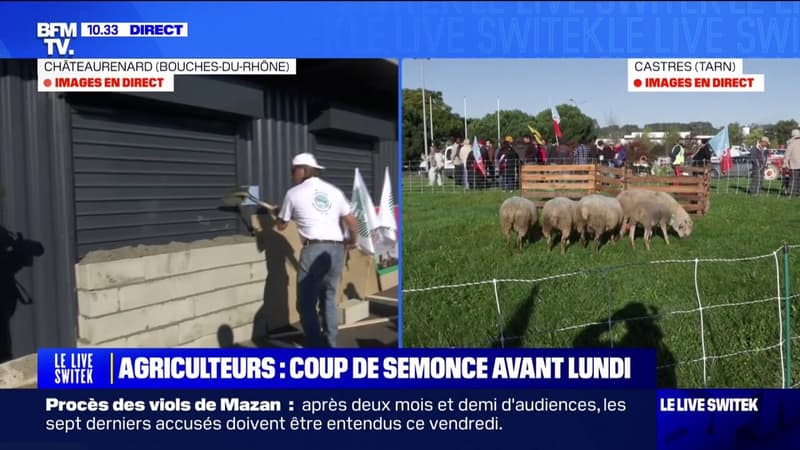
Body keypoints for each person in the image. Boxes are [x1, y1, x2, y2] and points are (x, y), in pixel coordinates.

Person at [266, 153, 359, 348]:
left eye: (293, 171)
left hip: (314, 248)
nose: (292, 175)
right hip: (336, 250)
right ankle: (331, 344)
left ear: (302, 170)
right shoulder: (333, 191)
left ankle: (316, 348)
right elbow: (352, 222)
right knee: (329, 298)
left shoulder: (293, 193)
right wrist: (351, 241)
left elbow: (282, 225)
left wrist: (277, 213)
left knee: (306, 304)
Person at [785, 129, 800, 196]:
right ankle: (798, 193)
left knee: (793, 179)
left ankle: (792, 193)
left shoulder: (791, 143)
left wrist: (785, 163)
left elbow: (787, 154)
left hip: (794, 164)